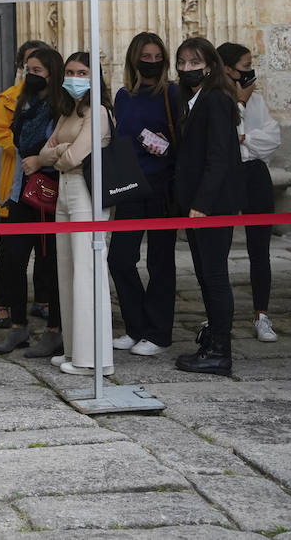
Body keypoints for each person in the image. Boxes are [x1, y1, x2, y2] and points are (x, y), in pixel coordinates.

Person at [35, 52, 114, 376]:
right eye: (70, 72)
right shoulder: (68, 113)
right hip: (65, 191)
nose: (75, 77)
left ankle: (92, 357)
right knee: (66, 271)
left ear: (94, 77)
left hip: (86, 191)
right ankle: (74, 348)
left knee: (86, 270)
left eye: (82, 72)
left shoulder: (98, 112)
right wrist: (57, 154)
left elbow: (75, 156)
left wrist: (57, 154)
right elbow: (46, 154)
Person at [173, 37, 242, 376]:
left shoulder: (215, 100)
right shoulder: (194, 100)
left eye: (194, 62)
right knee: (204, 273)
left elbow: (219, 157)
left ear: (210, 65)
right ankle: (212, 339)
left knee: (214, 276)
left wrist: (201, 204)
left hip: (211, 206)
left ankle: (220, 350)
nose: (187, 68)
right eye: (182, 62)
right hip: (197, 205)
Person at [108, 32, 180, 357]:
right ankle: (136, 326)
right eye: (145, 56)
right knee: (120, 258)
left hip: (163, 186)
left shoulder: (173, 94)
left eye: (156, 56)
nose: (151, 62)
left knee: (160, 261)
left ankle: (158, 332)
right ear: (134, 58)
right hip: (130, 185)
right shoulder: (123, 96)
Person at [0, 46, 65, 357]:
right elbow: (10, 138)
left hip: (48, 194)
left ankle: (54, 331)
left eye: (36, 71)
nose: (30, 76)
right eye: (27, 70)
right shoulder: (23, 104)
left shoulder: (61, 107)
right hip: (19, 192)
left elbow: (64, 147)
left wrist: (41, 159)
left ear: (51, 73)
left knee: (50, 264)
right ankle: (17, 327)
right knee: (12, 260)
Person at [218, 41, 281, 342]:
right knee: (219, 248)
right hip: (227, 177)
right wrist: (239, 111)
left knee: (260, 248)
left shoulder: (258, 101)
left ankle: (262, 315)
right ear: (228, 70)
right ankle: (219, 315)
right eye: (245, 66)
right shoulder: (215, 100)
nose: (250, 72)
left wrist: (243, 138)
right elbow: (222, 141)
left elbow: (273, 138)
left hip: (255, 173)